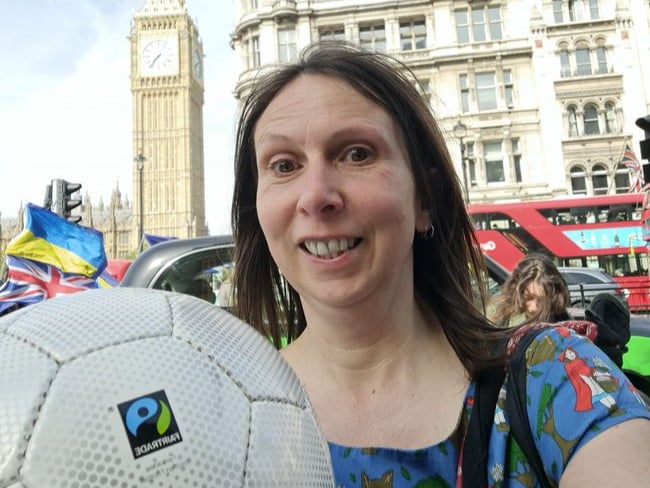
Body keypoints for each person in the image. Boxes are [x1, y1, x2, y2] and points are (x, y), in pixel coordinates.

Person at [230, 42, 650, 487]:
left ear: (424, 198)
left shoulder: (554, 375)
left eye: (357, 154)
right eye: (283, 165)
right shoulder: (220, 407)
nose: (315, 196)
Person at [489, 253, 571, 327]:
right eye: (528, 298)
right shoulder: (497, 317)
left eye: (541, 300)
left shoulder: (562, 320)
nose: (534, 308)